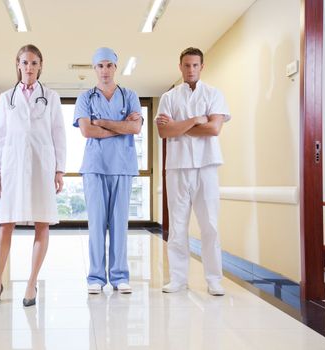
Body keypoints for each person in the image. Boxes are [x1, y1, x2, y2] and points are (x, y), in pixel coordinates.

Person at [0, 44, 66, 307]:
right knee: (6, 224)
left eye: (34, 63)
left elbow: (58, 135)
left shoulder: (51, 97)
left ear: (40, 66)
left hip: (41, 166)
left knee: (42, 222)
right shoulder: (5, 98)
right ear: (17, 64)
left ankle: (32, 283)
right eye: (25, 62)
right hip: (11, 166)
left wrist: (59, 169)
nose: (29, 67)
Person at [155, 47, 231, 296]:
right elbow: (164, 132)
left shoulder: (214, 94)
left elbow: (214, 129)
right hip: (177, 167)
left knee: (210, 224)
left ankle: (213, 280)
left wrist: (179, 126)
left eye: (195, 65)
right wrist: (196, 120)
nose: (190, 69)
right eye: (186, 65)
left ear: (202, 66)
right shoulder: (169, 98)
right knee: (177, 226)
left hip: (206, 166)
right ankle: (178, 279)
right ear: (180, 67)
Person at [73, 47, 142, 295]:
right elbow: (86, 131)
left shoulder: (130, 95)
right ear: (94, 69)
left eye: (109, 65)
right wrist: (121, 126)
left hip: (122, 167)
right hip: (95, 167)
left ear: (116, 67)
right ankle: (95, 277)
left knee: (119, 224)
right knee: (97, 224)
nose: (104, 70)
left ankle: (120, 276)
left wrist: (102, 122)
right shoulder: (85, 98)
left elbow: (136, 129)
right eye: (100, 66)